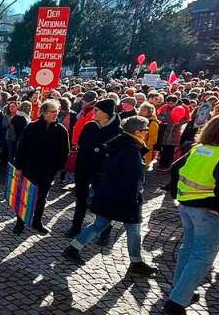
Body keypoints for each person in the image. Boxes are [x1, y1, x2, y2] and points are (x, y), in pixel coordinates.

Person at [163, 113, 219, 315]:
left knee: (189, 249)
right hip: (208, 211)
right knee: (202, 256)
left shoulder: (199, 148)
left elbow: (175, 169)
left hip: (187, 206)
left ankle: (181, 290)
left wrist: (177, 194)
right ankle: (178, 301)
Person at [62, 116, 157, 275]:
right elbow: (132, 179)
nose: (147, 132)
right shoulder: (131, 150)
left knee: (100, 225)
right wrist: (136, 197)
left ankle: (73, 248)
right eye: (146, 130)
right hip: (124, 198)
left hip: (109, 193)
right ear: (138, 132)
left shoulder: (120, 143)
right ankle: (136, 261)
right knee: (133, 229)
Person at [13, 99, 69, 235]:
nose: (55, 114)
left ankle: (37, 222)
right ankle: (20, 222)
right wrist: (19, 166)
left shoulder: (61, 130)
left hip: (47, 172)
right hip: (30, 169)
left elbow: (64, 152)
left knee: (42, 198)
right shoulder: (32, 127)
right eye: (52, 111)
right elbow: (21, 147)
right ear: (43, 112)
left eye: (56, 111)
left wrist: (57, 167)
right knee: (25, 197)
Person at [67, 98, 120, 239]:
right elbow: (82, 146)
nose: (94, 112)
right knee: (81, 199)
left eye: (97, 110)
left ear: (106, 113)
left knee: (103, 201)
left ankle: (105, 230)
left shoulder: (117, 131)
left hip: (103, 173)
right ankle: (76, 226)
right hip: (84, 169)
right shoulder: (90, 126)